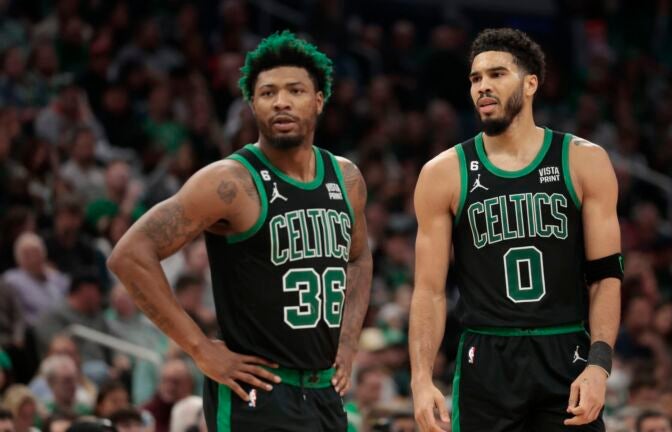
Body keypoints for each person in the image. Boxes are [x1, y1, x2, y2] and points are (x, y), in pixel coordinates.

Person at [108, 30, 372, 431]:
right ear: (252, 105)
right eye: (267, 93)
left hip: (324, 392)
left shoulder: (346, 178)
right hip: (257, 394)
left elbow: (359, 256)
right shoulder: (229, 182)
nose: (281, 101)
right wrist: (198, 348)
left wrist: (350, 340)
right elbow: (130, 254)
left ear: (319, 100)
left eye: (295, 90)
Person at [409, 28, 622, 431]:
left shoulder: (583, 161)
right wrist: (421, 380)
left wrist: (600, 366)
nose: (483, 87)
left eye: (497, 74)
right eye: (475, 79)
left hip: (567, 353)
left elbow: (606, 277)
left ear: (530, 84)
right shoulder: (443, 173)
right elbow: (429, 291)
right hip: (486, 355)